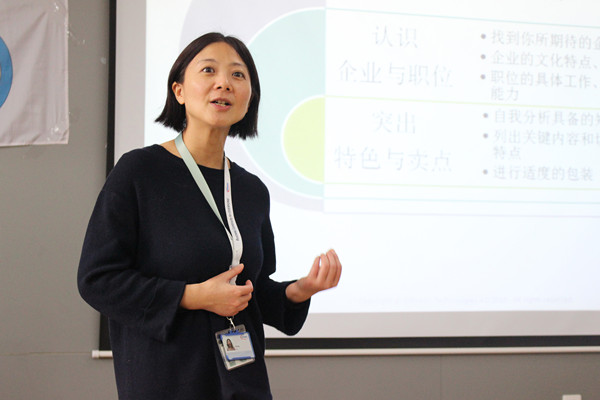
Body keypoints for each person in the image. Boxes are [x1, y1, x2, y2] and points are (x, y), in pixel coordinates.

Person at [77, 32, 341, 400]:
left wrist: (300, 290)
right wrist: (193, 296)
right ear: (179, 91)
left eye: (238, 75)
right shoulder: (139, 172)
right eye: (208, 70)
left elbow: (250, 289)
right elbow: (97, 280)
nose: (224, 83)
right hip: (166, 380)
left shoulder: (251, 190)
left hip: (242, 381)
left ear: (250, 98)